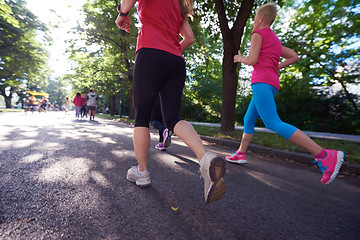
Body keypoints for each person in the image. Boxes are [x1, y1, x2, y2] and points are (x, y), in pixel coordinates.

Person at [115, 0, 226, 203]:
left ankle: (141, 172)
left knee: (142, 117)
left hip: (149, 53)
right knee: (173, 119)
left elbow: (127, 3)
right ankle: (205, 158)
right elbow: (189, 38)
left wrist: (122, 13)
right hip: (175, 61)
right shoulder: (178, 4)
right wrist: (170, 51)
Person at [225, 2, 344, 185]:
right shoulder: (274, 39)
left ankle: (325, 155)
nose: (253, 22)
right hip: (271, 83)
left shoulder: (258, 33)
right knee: (249, 118)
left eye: (255, 18)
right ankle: (240, 153)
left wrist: (239, 58)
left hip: (261, 82)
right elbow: (294, 56)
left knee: (273, 122)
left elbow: (252, 60)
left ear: (261, 18)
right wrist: (275, 67)